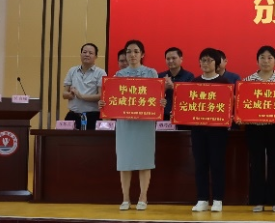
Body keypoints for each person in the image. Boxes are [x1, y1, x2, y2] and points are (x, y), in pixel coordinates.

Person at [100, 39, 165, 212]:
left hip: (145, 123)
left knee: (145, 160)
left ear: (142, 54)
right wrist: (104, 104)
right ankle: (125, 198)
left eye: (136, 51)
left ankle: (143, 197)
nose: (132, 55)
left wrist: (161, 102)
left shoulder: (151, 73)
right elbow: (111, 99)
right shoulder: (118, 76)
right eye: (129, 51)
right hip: (125, 124)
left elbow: (156, 96)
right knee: (125, 161)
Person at [243, 45, 275, 213]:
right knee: (256, 163)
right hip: (255, 128)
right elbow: (243, 105)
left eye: (270, 58)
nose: (266, 61)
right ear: (257, 60)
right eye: (262, 57)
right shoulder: (248, 81)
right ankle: (257, 200)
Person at [188, 48, 232, 213]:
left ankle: (218, 199)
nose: (206, 63)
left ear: (217, 63)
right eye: (203, 60)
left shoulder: (224, 82)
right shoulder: (194, 82)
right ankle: (202, 199)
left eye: (210, 60)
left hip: (218, 131)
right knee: (200, 165)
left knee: (217, 165)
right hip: (198, 131)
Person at [62, 43, 106, 130]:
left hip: (92, 116)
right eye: (84, 52)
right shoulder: (72, 71)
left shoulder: (100, 73)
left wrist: (81, 96)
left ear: (96, 56)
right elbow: (64, 94)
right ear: (80, 54)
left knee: (91, 139)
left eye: (90, 53)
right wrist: (70, 94)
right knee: (67, 138)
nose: (87, 55)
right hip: (73, 115)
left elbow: (101, 95)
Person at [158, 47, 195, 121]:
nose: (170, 61)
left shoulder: (189, 76)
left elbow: (190, 97)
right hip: (163, 116)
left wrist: (173, 86)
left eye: (174, 58)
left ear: (181, 59)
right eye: (168, 59)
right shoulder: (160, 76)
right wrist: (164, 88)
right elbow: (154, 97)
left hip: (182, 115)